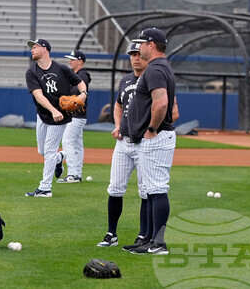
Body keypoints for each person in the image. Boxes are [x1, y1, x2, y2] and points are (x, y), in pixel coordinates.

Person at [125, 28, 177, 255]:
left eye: (141, 43)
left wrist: (151, 128)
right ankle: (148, 240)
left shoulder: (155, 69)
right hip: (154, 136)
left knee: (156, 189)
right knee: (149, 190)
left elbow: (162, 103)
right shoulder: (160, 67)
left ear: (152, 45)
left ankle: (158, 243)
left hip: (157, 136)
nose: (138, 48)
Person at [97, 41, 147, 248]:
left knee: (146, 191)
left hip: (145, 142)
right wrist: (117, 125)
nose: (135, 57)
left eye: (138, 53)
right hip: (123, 141)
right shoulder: (125, 81)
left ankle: (144, 235)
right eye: (132, 54)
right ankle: (111, 234)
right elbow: (118, 105)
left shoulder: (154, 78)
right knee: (115, 188)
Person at [24, 38, 86, 198]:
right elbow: (38, 96)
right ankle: (60, 157)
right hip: (44, 113)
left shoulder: (62, 69)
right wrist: (52, 110)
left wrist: (83, 95)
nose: (32, 49)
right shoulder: (32, 72)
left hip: (61, 116)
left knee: (50, 150)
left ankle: (45, 188)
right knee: (42, 151)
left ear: (44, 49)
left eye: (35, 47)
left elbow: (80, 83)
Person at [58, 49, 90, 184]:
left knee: (67, 141)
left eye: (72, 59)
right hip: (77, 116)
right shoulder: (75, 75)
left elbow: (76, 92)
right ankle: (77, 174)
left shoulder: (83, 75)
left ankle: (72, 173)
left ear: (80, 61)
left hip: (77, 115)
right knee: (77, 145)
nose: (70, 61)